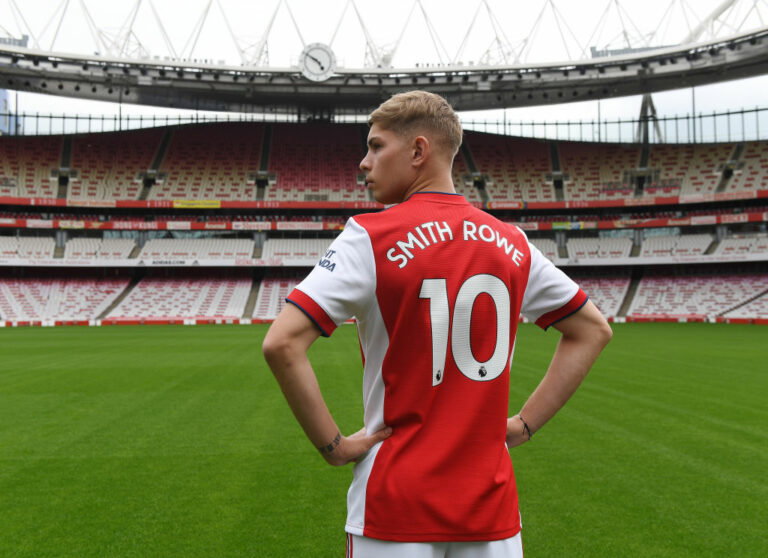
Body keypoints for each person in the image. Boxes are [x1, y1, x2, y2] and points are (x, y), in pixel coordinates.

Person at [262, 90, 612, 558]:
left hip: (394, 506)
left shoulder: (370, 236)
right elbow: (593, 329)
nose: (364, 163)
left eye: (376, 146)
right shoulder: (512, 243)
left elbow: (281, 344)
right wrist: (524, 426)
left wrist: (335, 447)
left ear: (418, 151)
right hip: (491, 510)